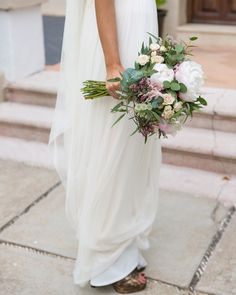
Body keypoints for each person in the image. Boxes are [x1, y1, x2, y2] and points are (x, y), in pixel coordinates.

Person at [49, 0, 162, 293]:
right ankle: (106, 259)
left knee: (131, 149)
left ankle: (123, 244)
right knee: (112, 147)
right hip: (117, 40)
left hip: (136, 33)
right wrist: (113, 62)